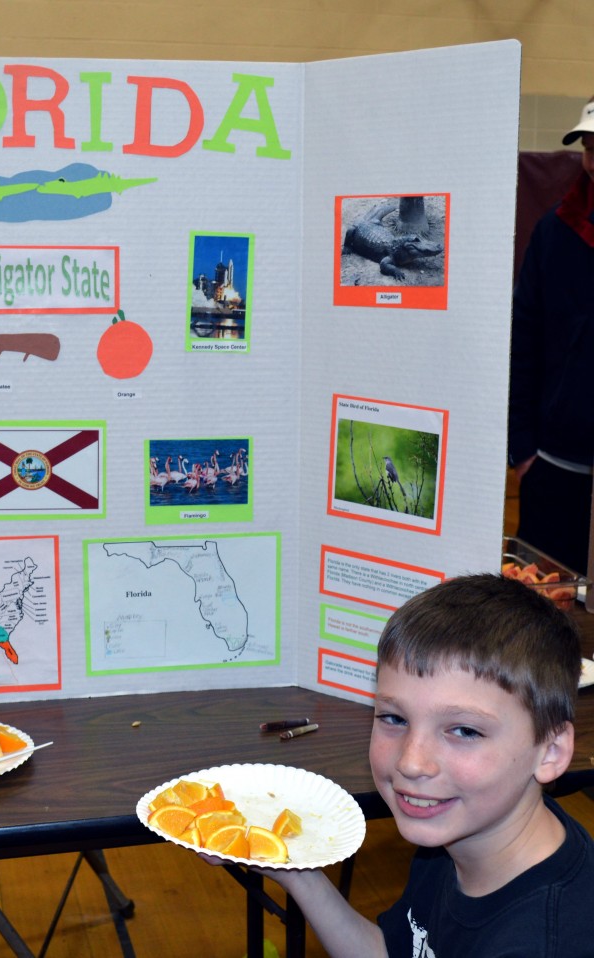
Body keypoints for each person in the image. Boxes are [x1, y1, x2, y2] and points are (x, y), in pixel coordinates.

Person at [232, 574, 594, 957]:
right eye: (394, 719)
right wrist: (301, 876)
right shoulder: (459, 834)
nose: (411, 762)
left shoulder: (544, 942)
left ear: (551, 752)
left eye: (465, 731)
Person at [509, 95, 594, 575]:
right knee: (541, 605)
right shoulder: (554, 233)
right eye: (589, 146)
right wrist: (523, 451)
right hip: (555, 469)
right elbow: (524, 341)